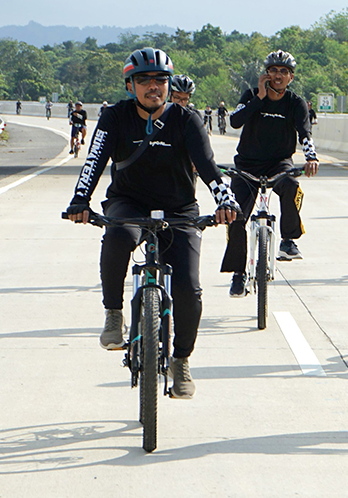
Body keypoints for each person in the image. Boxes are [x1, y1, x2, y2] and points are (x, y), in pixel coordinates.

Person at [64, 47, 240, 399]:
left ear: (168, 83)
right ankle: (114, 315)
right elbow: (94, 160)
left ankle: (182, 362)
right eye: (143, 80)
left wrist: (225, 200)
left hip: (179, 208)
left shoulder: (187, 120)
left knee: (189, 289)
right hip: (128, 202)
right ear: (130, 85)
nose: (153, 86)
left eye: (160, 79)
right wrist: (80, 200)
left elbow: (208, 166)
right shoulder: (115, 117)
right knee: (116, 236)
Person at [221, 50, 319, 295]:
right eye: (273, 70)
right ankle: (238, 273)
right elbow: (234, 121)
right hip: (247, 165)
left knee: (292, 187)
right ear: (265, 74)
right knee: (235, 214)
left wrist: (311, 157)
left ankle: (288, 240)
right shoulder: (252, 95)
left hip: (279, 163)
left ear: (291, 78)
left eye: (283, 72)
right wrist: (259, 98)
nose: (277, 75)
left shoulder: (296, 103)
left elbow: (305, 134)